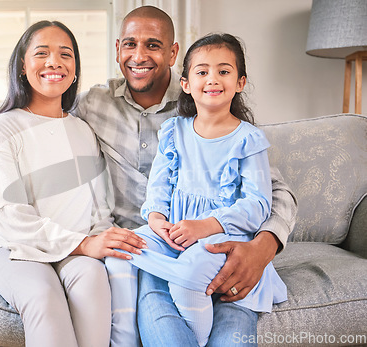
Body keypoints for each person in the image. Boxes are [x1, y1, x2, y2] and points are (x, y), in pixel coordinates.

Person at [0, 5, 297, 346]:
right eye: (130, 44)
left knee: (231, 327)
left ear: (174, 54)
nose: (139, 55)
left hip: (213, 245)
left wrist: (264, 246)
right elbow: (33, 124)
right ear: (117, 51)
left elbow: (273, 189)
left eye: (153, 45)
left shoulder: (206, 99)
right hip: (140, 247)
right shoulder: (93, 105)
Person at [0, 20, 146, 347]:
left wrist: (101, 239)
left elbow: (98, 208)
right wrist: (83, 245)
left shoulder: (83, 129)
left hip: (76, 248)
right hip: (14, 248)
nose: (54, 62)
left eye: (65, 54)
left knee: (94, 282)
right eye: (42, 53)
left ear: (75, 69)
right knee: (43, 297)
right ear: (23, 65)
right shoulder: (3, 129)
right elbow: (10, 218)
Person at [106, 32, 288, 346]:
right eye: (202, 72)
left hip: (221, 236)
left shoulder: (248, 139)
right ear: (187, 84)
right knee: (123, 249)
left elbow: (258, 203)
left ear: (240, 82)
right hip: (174, 232)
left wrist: (205, 226)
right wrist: (156, 218)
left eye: (224, 71)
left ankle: (196, 336)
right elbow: (159, 185)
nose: (213, 79)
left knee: (193, 270)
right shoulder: (174, 131)